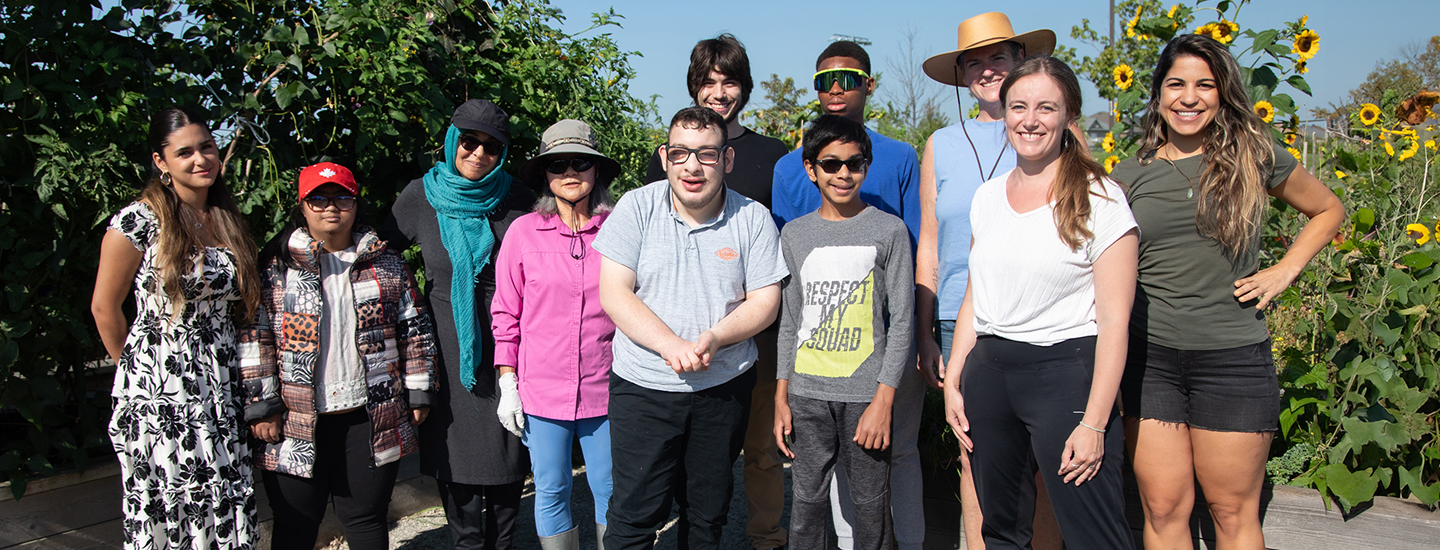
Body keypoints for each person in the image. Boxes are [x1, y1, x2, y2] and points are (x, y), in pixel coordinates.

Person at [1109, 34, 1343, 549]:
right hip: (1151, 363)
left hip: (1232, 360)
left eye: (1204, 85)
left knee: (1231, 511)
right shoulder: (1127, 177)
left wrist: (1284, 271)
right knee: (1164, 507)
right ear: (1158, 94)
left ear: (1222, 94)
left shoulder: (1255, 158)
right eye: (1176, 84)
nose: (1188, 98)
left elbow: (1329, 210)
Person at [943, 56, 1139, 550]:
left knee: (1095, 535)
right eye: (1019, 106)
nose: (1030, 120)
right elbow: (975, 295)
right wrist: (954, 380)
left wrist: (1094, 422)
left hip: (1067, 379)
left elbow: (1116, 322)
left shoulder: (1103, 199)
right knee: (1001, 532)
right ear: (1004, 113)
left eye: (1046, 107)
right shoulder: (987, 197)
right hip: (990, 376)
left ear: (1068, 115)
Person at [594, 106, 788, 550]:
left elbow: (765, 300)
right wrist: (669, 344)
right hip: (644, 387)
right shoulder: (636, 207)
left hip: (723, 387)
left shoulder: (753, 218)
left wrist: (717, 337)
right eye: (680, 154)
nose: (692, 167)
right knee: (633, 516)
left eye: (706, 154)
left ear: (727, 159)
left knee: (706, 516)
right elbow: (615, 293)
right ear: (665, 157)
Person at [916, 12, 1063, 549]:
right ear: (962, 76)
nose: (986, 70)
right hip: (963, 316)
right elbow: (930, 239)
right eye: (973, 62)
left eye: (996, 57)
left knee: (1048, 459)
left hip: (1045, 316)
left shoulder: (1054, 131)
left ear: (1021, 61)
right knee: (975, 452)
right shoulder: (941, 143)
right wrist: (925, 329)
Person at [770, 39, 924, 550]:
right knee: (807, 502)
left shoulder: (889, 231)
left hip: (866, 393)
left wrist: (885, 397)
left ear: (867, 165)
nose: (843, 173)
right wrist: (781, 392)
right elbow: (790, 319)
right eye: (830, 164)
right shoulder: (795, 235)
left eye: (854, 164)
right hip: (809, 390)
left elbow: (900, 318)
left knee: (870, 502)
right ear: (810, 168)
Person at [241, 162, 438, 550]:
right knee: (295, 525)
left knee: (366, 520)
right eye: (319, 198)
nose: (331, 207)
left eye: (342, 197)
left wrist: (418, 390)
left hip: (369, 416)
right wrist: (262, 404)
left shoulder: (386, 263)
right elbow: (256, 337)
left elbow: (414, 328)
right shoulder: (276, 268)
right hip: (296, 419)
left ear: (355, 202)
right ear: (302, 205)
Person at [644, 36, 791, 550]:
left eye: (729, 81)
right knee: (694, 451)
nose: (720, 92)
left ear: (744, 88)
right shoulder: (666, 160)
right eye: (709, 82)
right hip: (677, 333)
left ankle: (767, 538)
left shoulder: (777, 158)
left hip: (754, 326)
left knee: (760, 447)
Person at [92, 106, 261, 550]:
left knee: (222, 492)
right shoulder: (139, 221)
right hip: (162, 389)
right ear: (160, 162)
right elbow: (104, 308)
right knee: (174, 503)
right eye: (184, 152)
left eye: (207, 146)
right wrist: (137, 374)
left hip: (220, 382)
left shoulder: (225, 218)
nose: (200, 159)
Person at [380, 99, 535, 550]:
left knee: (509, 461)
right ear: (452, 141)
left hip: (508, 349)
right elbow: (378, 255)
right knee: (458, 471)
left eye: (491, 147)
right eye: (469, 141)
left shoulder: (517, 199)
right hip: (445, 354)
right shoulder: (420, 196)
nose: (478, 154)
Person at [491, 120, 619, 550]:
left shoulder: (619, 231)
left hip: (607, 387)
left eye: (580, 162)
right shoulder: (523, 233)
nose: (569, 172)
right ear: (545, 174)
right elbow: (506, 312)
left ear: (596, 169)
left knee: (612, 488)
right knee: (550, 488)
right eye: (557, 164)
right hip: (542, 391)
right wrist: (508, 382)